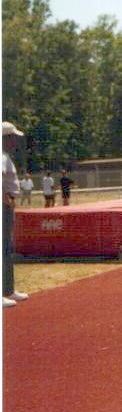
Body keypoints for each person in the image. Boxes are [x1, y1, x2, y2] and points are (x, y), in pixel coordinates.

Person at [3, 122, 29, 308]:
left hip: (7, 203)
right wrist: (6, 200)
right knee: (3, 248)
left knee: (6, 248)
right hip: (3, 204)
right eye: (12, 137)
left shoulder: (5, 156)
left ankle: (8, 289)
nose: (15, 141)